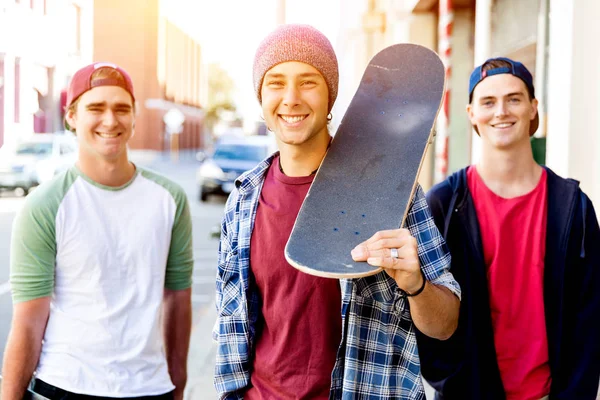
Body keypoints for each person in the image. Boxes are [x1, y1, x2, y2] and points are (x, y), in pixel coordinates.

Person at [213, 24, 461, 400]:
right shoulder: (244, 200)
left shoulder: (390, 191)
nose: (291, 98)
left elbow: (445, 325)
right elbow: (231, 326)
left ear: (331, 96)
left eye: (309, 82)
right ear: (261, 98)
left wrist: (416, 285)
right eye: (276, 82)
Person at [1, 62, 194, 400]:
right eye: (96, 107)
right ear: (71, 117)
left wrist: (179, 386)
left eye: (122, 109)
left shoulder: (170, 199)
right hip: (64, 386)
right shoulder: (44, 205)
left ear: (134, 118)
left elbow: (178, 301)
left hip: (149, 389)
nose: (110, 120)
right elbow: (28, 324)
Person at [417, 57, 600, 399]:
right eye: (488, 102)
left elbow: (589, 321)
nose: (501, 111)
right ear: (471, 113)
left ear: (533, 108)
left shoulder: (572, 207)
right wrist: (454, 384)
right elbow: (426, 312)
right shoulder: (443, 203)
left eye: (514, 99)